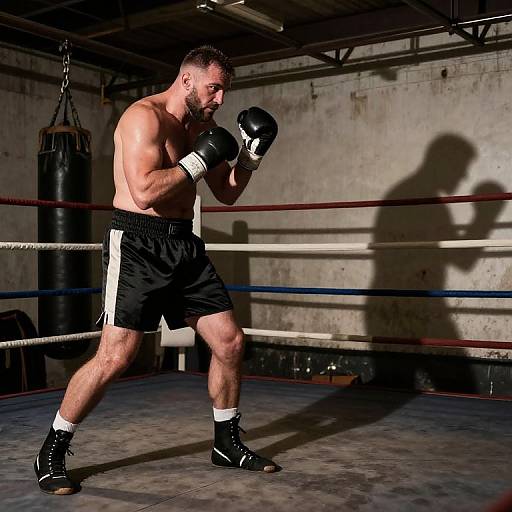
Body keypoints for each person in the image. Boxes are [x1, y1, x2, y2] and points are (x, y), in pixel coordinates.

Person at [34, 45, 279, 495]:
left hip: (183, 244)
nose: (220, 99)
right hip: (138, 242)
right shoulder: (141, 118)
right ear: (187, 81)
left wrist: (250, 157)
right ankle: (52, 448)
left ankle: (226, 440)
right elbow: (144, 191)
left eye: (224, 90)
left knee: (229, 342)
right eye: (214, 88)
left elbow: (226, 194)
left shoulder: (204, 127)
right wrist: (199, 161)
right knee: (115, 356)